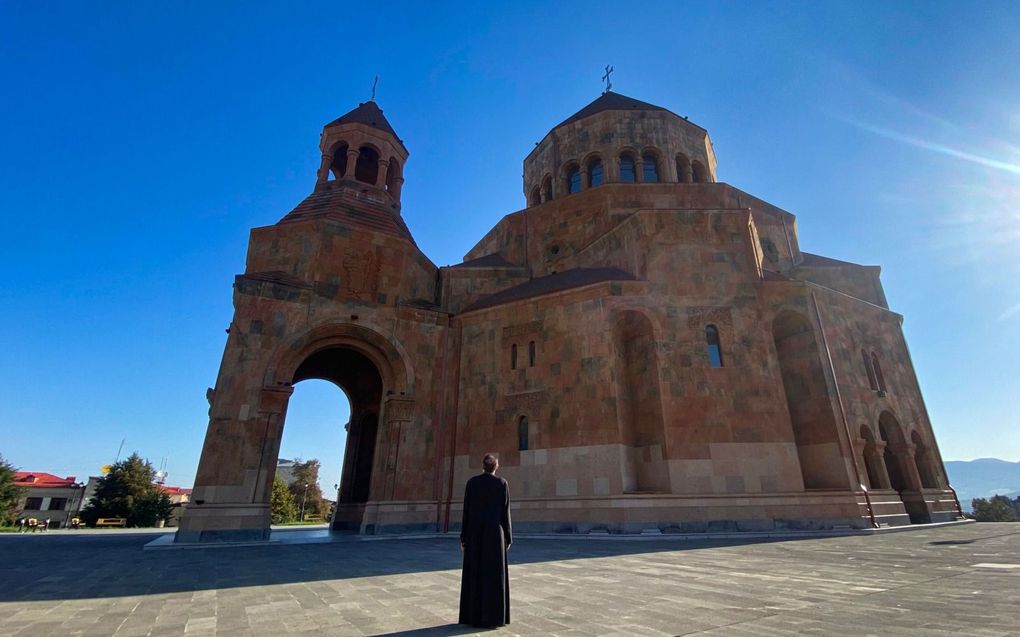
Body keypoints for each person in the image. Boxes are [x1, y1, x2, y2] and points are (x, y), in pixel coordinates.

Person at [459, 453, 512, 628]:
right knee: (494, 576)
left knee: (475, 573)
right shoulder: (502, 484)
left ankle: (473, 616)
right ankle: (494, 618)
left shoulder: (472, 483)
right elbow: (505, 513)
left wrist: (463, 537)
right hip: (495, 536)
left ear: (482, 466)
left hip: (474, 534)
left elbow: (466, 511)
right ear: (496, 467)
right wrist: (508, 537)